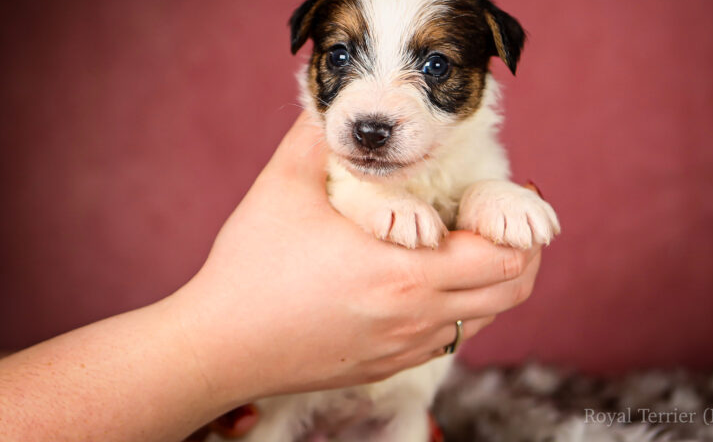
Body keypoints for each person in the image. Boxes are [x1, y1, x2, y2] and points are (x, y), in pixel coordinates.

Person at [0, 113, 543, 442]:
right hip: (282, 409)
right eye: (342, 56)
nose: (375, 107)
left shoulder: (472, 157)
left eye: (433, 66)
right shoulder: (324, 167)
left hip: (396, 413)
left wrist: (492, 197)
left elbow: (480, 191)